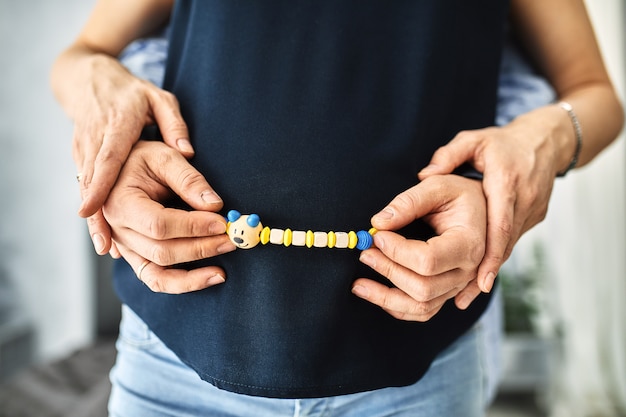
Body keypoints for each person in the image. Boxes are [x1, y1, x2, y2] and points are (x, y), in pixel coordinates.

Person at [50, 1, 623, 416]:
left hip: (416, 372)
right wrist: (97, 84)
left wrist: (539, 143)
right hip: (172, 361)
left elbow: (596, 96)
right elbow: (81, 56)